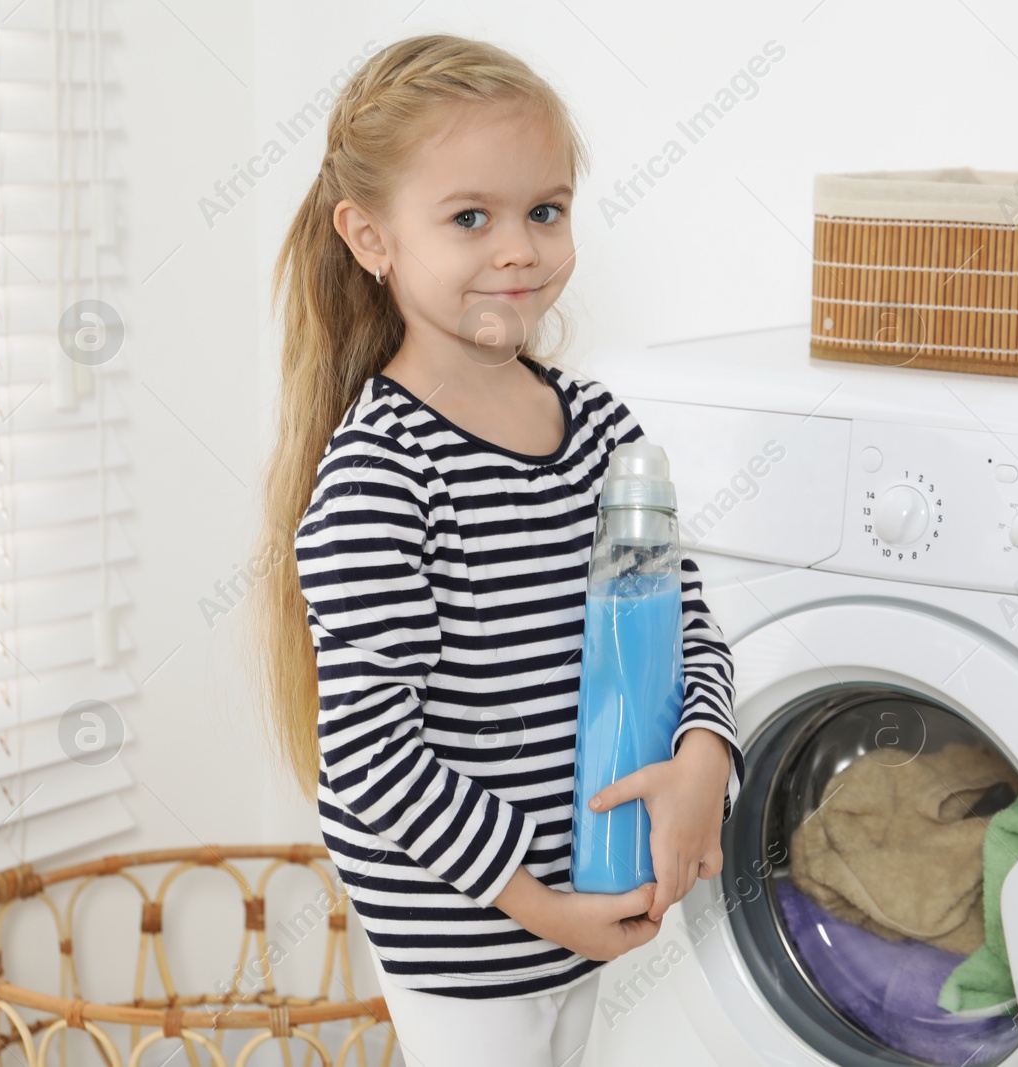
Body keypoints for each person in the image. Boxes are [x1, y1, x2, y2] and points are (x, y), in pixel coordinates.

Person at [250, 34, 745, 1067]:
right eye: (470, 217)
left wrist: (705, 758)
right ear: (370, 236)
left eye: (545, 211)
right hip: (470, 934)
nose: (519, 249)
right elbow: (373, 761)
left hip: (589, 903)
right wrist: (539, 905)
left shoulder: (603, 429)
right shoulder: (384, 475)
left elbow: (690, 623)